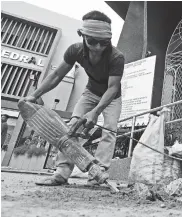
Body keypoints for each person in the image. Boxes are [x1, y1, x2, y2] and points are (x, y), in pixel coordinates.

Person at [20, 10, 124, 186]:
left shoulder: (116, 57)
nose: (98, 47)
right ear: (82, 35)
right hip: (90, 93)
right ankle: (61, 173)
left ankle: (97, 175)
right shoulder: (74, 50)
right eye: (92, 41)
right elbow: (56, 75)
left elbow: (113, 87)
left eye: (103, 42)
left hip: (111, 97)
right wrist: (34, 95)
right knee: (71, 129)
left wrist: (95, 111)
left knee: (109, 131)